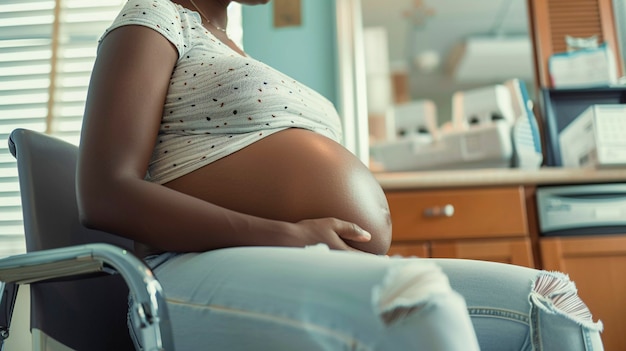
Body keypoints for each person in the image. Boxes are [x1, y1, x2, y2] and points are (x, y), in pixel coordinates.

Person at [76, 0, 604, 350]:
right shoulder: (155, 15)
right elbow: (105, 193)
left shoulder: (229, 44)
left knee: (551, 304)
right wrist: (290, 235)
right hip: (186, 273)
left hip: (283, 264)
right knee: (417, 303)